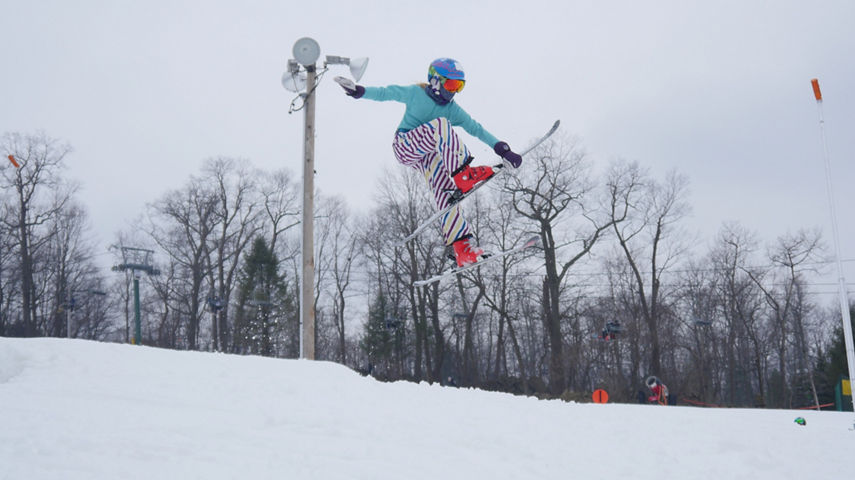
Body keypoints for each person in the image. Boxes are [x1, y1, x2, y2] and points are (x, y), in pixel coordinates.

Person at [337, 58, 523, 267]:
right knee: (442, 125)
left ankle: (462, 250)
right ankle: (463, 174)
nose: (454, 91)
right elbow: (385, 93)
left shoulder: (453, 109)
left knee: (447, 192)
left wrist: (503, 149)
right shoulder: (416, 93)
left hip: (428, 155)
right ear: (436, 81)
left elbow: (476, 128)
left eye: (459, 86)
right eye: (452, 84)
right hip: (405, 145)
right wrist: (358, 91)